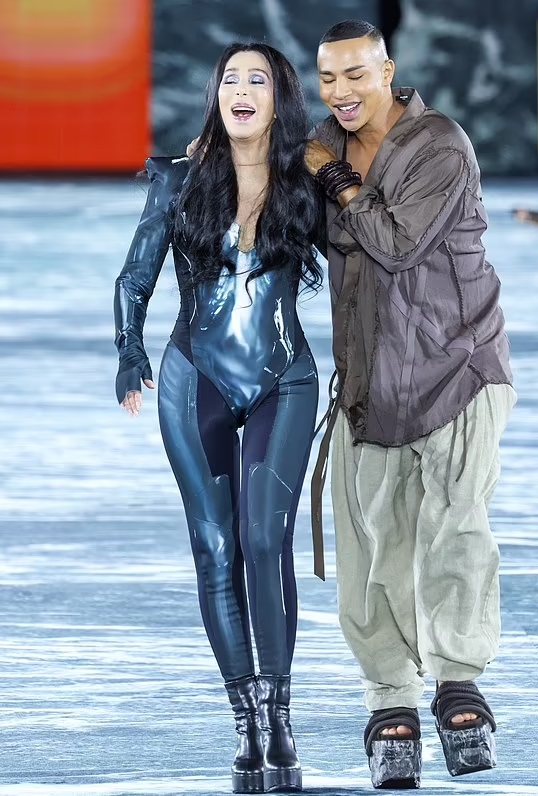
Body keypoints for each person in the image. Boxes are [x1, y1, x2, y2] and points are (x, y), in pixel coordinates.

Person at [303, 19, 516, 788]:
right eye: (328, 77)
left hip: (457, 367)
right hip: (369, 383)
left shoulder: (438, 144)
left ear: (387, 71)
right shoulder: (321, 145)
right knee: (372, 553)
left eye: (356, 74)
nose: (340, 91)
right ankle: (390, 698)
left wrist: (333, 177)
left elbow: (395, 243)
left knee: (456, 529)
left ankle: (458, 684)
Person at [114, 42, 324, 794]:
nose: (240, 88)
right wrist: (128, 349)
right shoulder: (179, 180)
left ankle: (281, 711)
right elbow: (135, 274)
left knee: (265, 540)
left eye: (256, 79)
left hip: (284, 379)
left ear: (279, 99)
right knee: (214, 549)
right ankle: (245, 719)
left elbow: (368, 271)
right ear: (217, 95)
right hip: (193, 376)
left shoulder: (309, 181)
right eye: (230, 78)